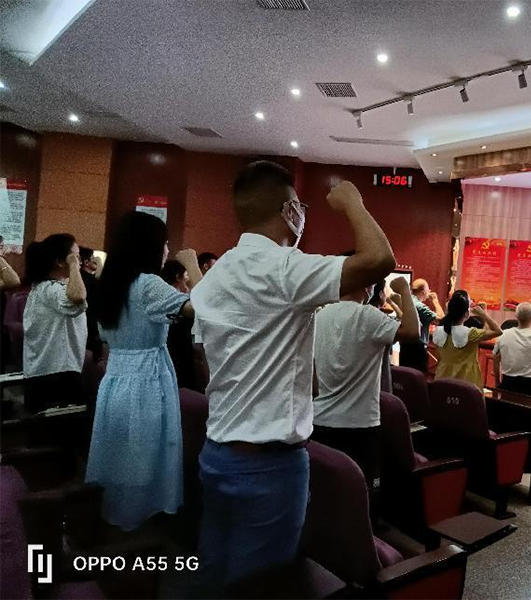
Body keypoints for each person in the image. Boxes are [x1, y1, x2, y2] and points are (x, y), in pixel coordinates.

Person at [190, 160, 395, 589]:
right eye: (299, 206)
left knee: (213, 573)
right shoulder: (283, 267)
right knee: (261, 586)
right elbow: (379, 259)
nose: (302, 214)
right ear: (288, 211)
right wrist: (353, 202)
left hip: (217, 452)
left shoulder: (215, 276)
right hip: (268, 468)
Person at [85, 212, 202, 531]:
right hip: (146, 379)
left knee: (119, 454)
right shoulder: (149, 285)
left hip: (116, 377)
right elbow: (203, 307)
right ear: (148, 246)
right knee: (144, 457)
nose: (167, 250)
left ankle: (117, 518)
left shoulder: (110, 284)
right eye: (165, 243)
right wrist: (192, 265)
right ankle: (139, 526)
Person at [312, 276, 419, 497]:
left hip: (319, 420)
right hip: (358, 425)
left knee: (326, 493)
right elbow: (412, 331)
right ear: (367, 285)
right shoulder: (368, 315)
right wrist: (404, 290)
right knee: (363, 494)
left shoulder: (319, 315)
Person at [22, 234, 87, 412]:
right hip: (57, 374)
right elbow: (78, 297)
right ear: (60, 262)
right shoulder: (51, 290)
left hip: (45, 372)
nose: (79, 262)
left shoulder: (42, 287)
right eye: (75, 257)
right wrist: (73, 266)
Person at [433, 290, 502, 389]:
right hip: (466, 382)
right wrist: (484, 314)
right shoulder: (470, 333)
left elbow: (438, 355)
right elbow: (498, 331)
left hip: (442, 378)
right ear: (466, 314)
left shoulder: (438, 331)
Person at [161, 259, 198, 389]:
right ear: (178, 277)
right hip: (181, 361)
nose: (187, 287)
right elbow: (202, 307)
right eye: (186, 279)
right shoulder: (176, 301)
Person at [399, 278, 444, 373]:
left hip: (404, 348)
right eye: (428, 289)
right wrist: (435, 301)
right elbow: (441, 319)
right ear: (423, 292)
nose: (429, 291)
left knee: (404, 376)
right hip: (417, 351)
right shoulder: (420, 306)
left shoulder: (405, 302)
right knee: (418, 378)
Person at [79, 246, 103, 361]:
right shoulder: (89, 280)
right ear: (86, 262)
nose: (96, 261)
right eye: (93, 258)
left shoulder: (80, 278)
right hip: (90, 325)